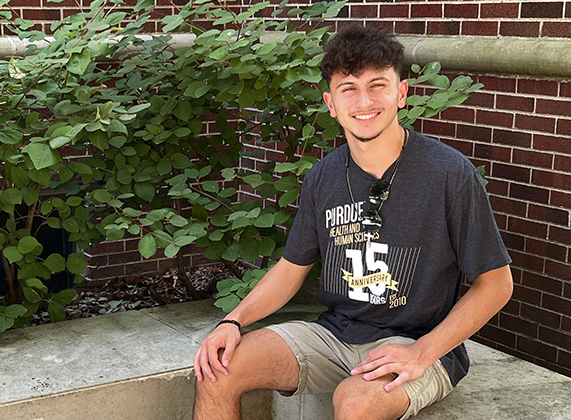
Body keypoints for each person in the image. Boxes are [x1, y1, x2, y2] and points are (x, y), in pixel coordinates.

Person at [193, 24, 513, 420]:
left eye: (378, 85)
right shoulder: (323, 177)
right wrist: (233, 320)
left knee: (356, 402)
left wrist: (423, 351)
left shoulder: (449, 174)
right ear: (331, 102)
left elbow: (496, 283)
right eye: (349, 88)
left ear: (402, 92)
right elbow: (292, 268)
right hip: (334, 334)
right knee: (217, 370)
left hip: (415, 342)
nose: (364, 101)